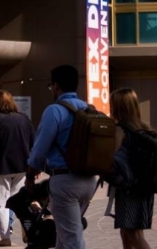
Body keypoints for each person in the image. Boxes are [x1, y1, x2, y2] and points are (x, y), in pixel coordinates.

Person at [26, 65, 97, 249]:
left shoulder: (54, 110)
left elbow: (39, 150)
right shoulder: (89, 110)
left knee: (72, 239)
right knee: (64, 237)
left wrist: (30, 174)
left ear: (56, 86)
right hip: (89, 180)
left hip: (65, 182)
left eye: (51, 86)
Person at [0, 90, 34, 247]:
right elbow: (33, 143)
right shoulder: (24, 119)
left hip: (1, 168)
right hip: (23, 167)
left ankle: (5, 237)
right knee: (21, 202)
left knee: (1, 203)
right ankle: (27, 231)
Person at [110, 88, 154, 249]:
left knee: (133, 235)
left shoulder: (120, 129)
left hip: (128, 188)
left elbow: (113, 158)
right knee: (130, 233)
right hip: (145, 186)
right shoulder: (145, 128)